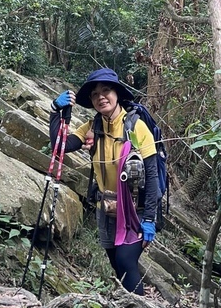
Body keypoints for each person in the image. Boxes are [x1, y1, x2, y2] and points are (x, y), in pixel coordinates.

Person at [49, 67, 158, 295]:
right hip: (106, 207)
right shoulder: (92, 127)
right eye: (95, 94)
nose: (101, 97)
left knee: (126, 261)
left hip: (135, 209)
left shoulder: (136, 127)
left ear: (117, 93)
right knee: (117, 264)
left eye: (106, 90)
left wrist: (150, 218)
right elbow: (60, 148)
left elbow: (152, 173)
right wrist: (54, 111)